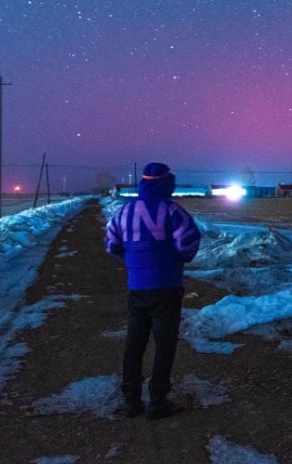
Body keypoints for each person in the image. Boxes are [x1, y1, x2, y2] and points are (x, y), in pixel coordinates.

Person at [105, 162, 201, 419]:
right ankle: (157, 401)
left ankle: (131, 400)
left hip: (137, 288)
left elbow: (111, 243)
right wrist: (175, 259)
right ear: (166, 183)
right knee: (164, 344)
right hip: (167, 287)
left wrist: (132, 261)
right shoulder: (172, 211)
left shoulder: (124, 212)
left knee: (134, 343)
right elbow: (189, 243)